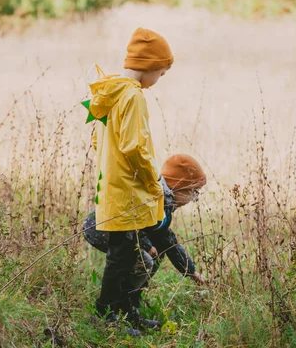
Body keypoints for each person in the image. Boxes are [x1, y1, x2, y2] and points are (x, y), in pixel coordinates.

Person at [81, 27, 173, 335]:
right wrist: (153, 180)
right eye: (160, 73)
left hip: (113, 186)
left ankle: (128, 312)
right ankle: (106, 315)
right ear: (148, 67)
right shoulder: (132, 97)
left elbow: (98, 142)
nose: (158, 80)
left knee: (129, 252)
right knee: (120, 257)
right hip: (129, 190)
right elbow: (136, 146)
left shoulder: (109, 93)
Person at [83, 154, 208, 326]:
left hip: (125, 230)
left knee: (156, 252)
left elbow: (167, 240)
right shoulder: (155, 196)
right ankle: (112, 310)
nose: (193, 199)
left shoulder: (167, 205)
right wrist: (146, 245)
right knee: (139, 259)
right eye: (193, 193)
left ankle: (128, 305)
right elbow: (133, 220)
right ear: (180, 186)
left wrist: (190, 271)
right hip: (103, 227)